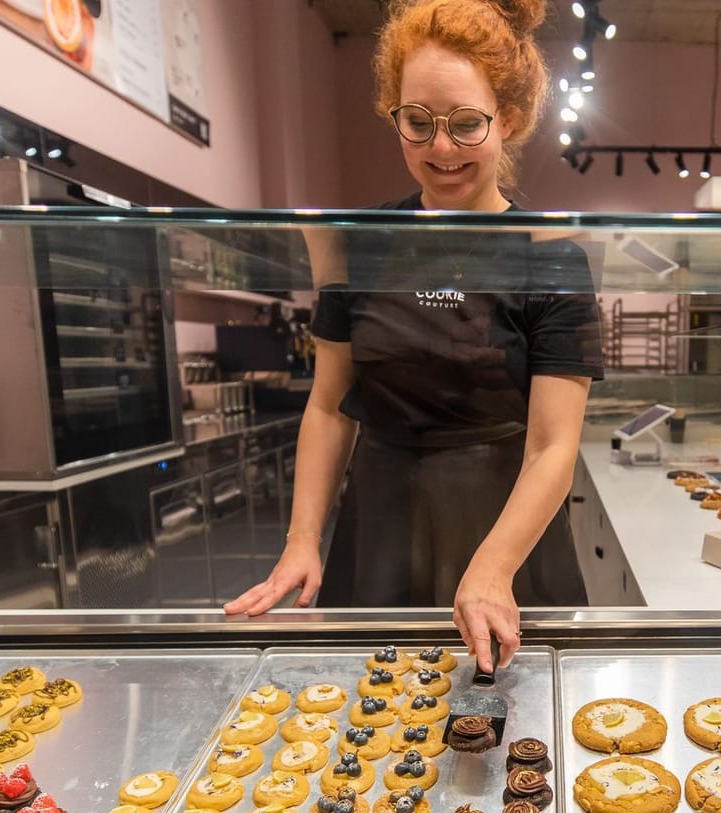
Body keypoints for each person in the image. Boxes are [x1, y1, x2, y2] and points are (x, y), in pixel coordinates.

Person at [224, 0, 600, 675]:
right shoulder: (357, 242)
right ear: (393, 114)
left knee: (510, 740)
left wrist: (492, 569)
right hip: (380, 518)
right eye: (418, 123)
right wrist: (302, 540)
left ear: (506, 119)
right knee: (363, 735)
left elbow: (553, 445)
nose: (441, 149)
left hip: (506, 526)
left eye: (465, 125)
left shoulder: (550, 253)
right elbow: (329, 403)